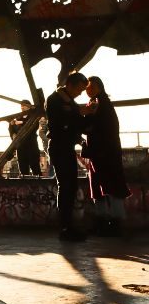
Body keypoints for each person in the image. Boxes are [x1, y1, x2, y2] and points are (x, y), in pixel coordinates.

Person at [81, 76, 130, 235]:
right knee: (108, 186)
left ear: (100, 87)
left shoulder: (98, 104)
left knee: (106, 186)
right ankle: (112, 222)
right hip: (104, 153)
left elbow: (93, 127)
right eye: (87, 87)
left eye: (92, 87)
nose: (89, 90)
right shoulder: (100, 103)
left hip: (102, 153)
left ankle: (109, 222)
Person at [45, 71, 88, 241]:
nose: (80, 93)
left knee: (70, 186)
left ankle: (68, 225)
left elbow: (73, 121)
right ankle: (65, 227)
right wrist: (80, 113)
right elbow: (63, 122)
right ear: (70, 85)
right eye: (80, 89)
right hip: (59, 147)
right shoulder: (55, 100)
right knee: (66, 186)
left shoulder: (69, 101)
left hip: (66, 147)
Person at [8, 100, 42, 176]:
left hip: (32, 146)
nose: (22, 107)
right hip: (21, 146)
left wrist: (21, 123)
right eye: (21, 106)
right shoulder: (17, 117)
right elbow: (11, 127)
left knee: (35, 167)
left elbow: (34, 127)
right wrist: (13, 134)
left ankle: (38, 185)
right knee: (23, 168)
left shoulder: (34, 117)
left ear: (29, 106)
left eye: (24, 106)